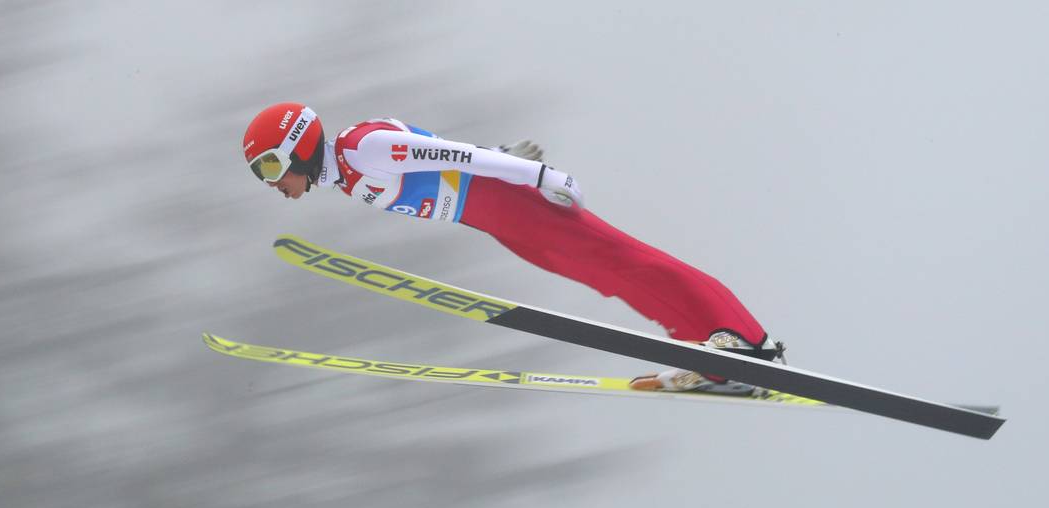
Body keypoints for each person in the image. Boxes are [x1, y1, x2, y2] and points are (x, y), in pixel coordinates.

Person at [241, 102, 784, 392]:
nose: (271, 182)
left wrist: (539, 173)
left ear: (296, 147)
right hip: (498, 222)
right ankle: (709, 357)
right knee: (610, 279)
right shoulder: (346, 173)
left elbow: (453, 156)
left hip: (511, 202)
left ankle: (742, 339)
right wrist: (503, 153)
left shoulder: (365, 147)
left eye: (270, 166)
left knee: (624, 260)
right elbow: (447, 155)